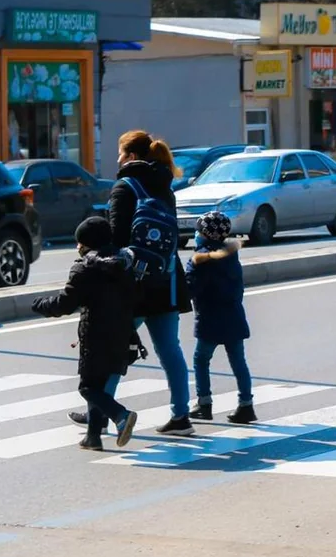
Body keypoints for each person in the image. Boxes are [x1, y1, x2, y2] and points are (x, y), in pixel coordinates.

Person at [67, 130, 195, 436]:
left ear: (132, 157)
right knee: (170, 349)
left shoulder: (124, 187)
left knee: (112, 349)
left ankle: (99, 412)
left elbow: (116, 236)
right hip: (166, 277)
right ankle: (181, 416)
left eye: (120, 154)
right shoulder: (165, 185)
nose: (118, 159)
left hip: (131, 284)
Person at [33, 217, 139, 451]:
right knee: (98, 386)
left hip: (95, 335)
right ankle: (93, 437)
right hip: (121, 332)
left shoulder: (85, 268)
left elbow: (64, 304)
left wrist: (40, 304)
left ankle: (120, 414)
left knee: (87, 388)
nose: (77, 246)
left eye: (79, 242)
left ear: (87, 243)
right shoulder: (125, 264)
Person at [185, 212, 256, 424]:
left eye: (198, 231)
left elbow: (191, 288)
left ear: (205, 234)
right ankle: (246, 405)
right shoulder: (231, 255)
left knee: (201, 359)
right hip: (233, 315)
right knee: (238, 361)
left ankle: (204, 404)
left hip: (210, 317)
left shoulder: (201, 260)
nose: (196, 234)